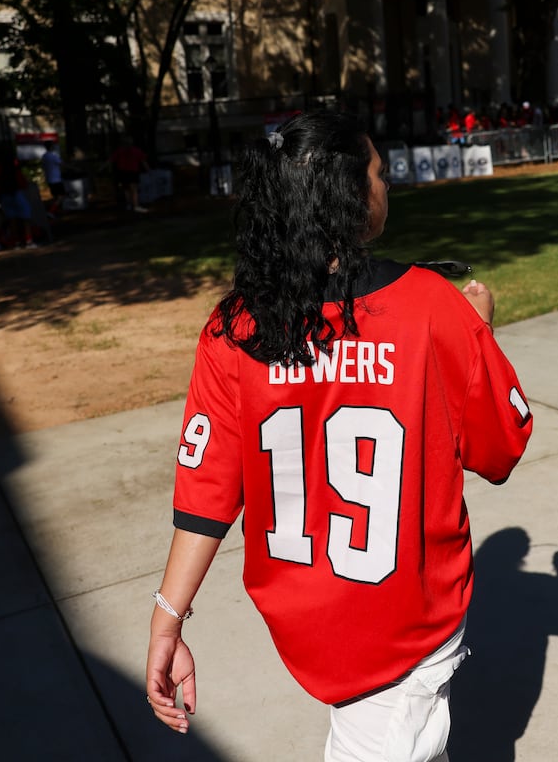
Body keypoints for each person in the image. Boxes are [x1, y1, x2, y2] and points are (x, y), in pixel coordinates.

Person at [145, 111, 533, 761]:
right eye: (379, 173)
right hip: (404, 619)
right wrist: (477, 333)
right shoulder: (432, 304)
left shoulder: (234, 326)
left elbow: (207, 488)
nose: (387, 184)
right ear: (352, 196)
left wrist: (167, 615)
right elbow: (499, 449)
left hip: (306, 619)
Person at [109, 136, 149, 213]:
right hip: (132, 172)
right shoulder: (136, 150)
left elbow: (111, 160)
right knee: (133, 190)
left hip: (123, 172)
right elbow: (143, 161)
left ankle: (129, 205)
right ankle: (135, 206)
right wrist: (148, 170)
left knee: (126, 189)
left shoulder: (120, 151)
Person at [39, 140, 65, 213]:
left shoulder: (44, 156)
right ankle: (51, 211)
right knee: (61, 196)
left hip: (49, 179)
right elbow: (62, 164)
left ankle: (56, 211)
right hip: (56, 179)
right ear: (51, 147)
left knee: (56, 196)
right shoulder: (53, 156)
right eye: (53, 145)